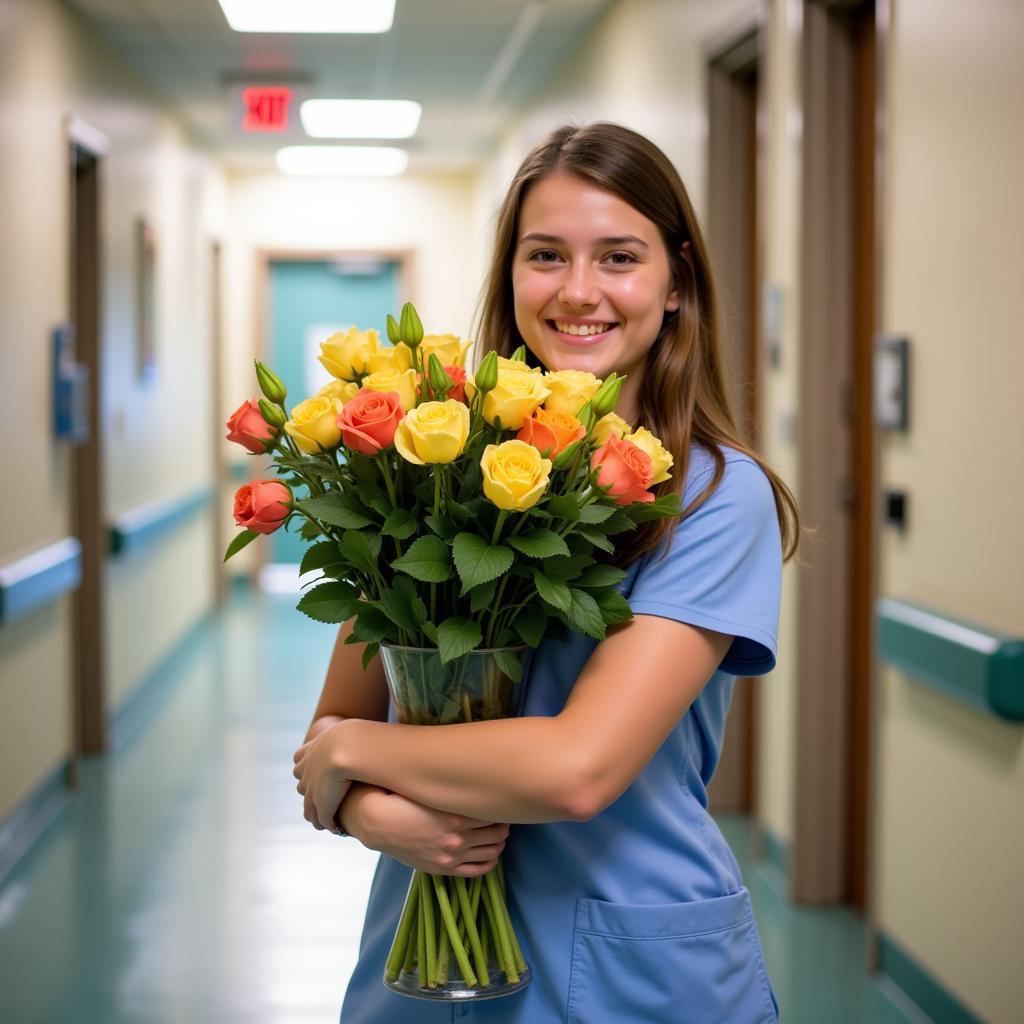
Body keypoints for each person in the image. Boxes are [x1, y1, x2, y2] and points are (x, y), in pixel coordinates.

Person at [292, 121, 800, 1023]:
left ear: (676, 280)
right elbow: (337, 716)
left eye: (618, 257)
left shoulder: (721, 499)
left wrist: (350, 763)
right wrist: (368, 813)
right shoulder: (427, 468)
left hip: (632, 965)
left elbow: (577, 768)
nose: (578, 291)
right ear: (510, 275)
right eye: (545, 255)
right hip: (419, 963)